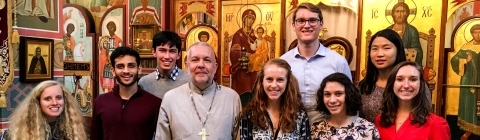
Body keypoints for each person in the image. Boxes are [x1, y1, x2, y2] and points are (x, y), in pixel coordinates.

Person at [280, 2, 352, 125]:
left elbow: (350, 102)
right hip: (291, 129)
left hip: (329, 131)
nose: (307, 25)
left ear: (321, 24)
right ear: (293, 25)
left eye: (312, 20)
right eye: (301, 20)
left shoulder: (338, 62)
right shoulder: (283, 62)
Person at [156, 42, 241, 140]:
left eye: (207, 60)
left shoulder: (232, 98)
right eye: (195, 60)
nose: (201, 65)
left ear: (215, 67)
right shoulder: (171, 98)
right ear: (187, 66)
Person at [91, 46, 162, 140]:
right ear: (113, 71)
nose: (126, 71)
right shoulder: (101, 101)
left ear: (139, 69)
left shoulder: (154, 103)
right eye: (120, 66)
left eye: (131, 66)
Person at [234, 58, 310, 139]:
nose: (274, 85)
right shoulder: (249, 115)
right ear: (262, 82)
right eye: (269, 79)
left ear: (287, 82)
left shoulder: (300, 116)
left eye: (280, 80)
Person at [375, 61, 450, 139]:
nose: (406, 85)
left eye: (413, 79)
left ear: (421, 85)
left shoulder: (436, 124)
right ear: (392, 84)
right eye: (400, 79)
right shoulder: (380, 120)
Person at [2, 80, 87, 140]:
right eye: (47, 99)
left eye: (59, 97)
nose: (54, 102)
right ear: (38, 103)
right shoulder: (16, 133)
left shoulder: (72, 129)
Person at [357, 29, 407, 122]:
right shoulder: (363, 86)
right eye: (374, 49)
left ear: (398, 50)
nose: (379, 54)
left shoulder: (412, 85)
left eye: (386, 48)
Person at [311, 73, 380, 139]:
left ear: (349, 95)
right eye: (327, 94)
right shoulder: (315, 130)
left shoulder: (368, 129)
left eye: (338, 93)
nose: (332, 100)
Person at [138, 31, 190, 99]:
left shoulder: (190, 81)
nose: (167, 56)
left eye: (172, 51)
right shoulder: (144, 83)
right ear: (154, 52)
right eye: (162, 50)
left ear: (179, 54)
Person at [450, 24, 480, 135]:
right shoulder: (466, 47)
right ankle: (468, 128)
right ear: (472, 34)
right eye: (475, 32)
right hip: (468, 80)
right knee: (468, 103)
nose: (478, 35)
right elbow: (454, 60)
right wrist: (465, 60)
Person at [229, 9, 259, 94]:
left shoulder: (256, 34)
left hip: (254, 66)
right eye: (248, 18)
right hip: (241, 66)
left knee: (255, 87)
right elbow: (233, 53)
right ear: (243, 19)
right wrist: (245, 55)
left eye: (252, 19)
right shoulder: (238, 35)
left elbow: (260, 48)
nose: (250, 21)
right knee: (244, 85)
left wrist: (256, 56)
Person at [386, 2, 422, 66]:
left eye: (403, 11)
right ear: (393, 14)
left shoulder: (412, 30)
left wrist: (407, 52)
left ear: (407, 14)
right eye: (397, 11)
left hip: (406, 65)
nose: (400, 14)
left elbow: (418, 51)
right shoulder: (388, 30)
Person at [99, 21, 123, 93]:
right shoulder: (105, 39)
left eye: (112, 28)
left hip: (115, 64)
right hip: (107, 64)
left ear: (115, 29)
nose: (110, 29)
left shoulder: (118, 40)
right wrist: (106, 58)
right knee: (106, 83)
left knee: (115, 83)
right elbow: (102, 53)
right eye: (109, 28)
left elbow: (120, 53)